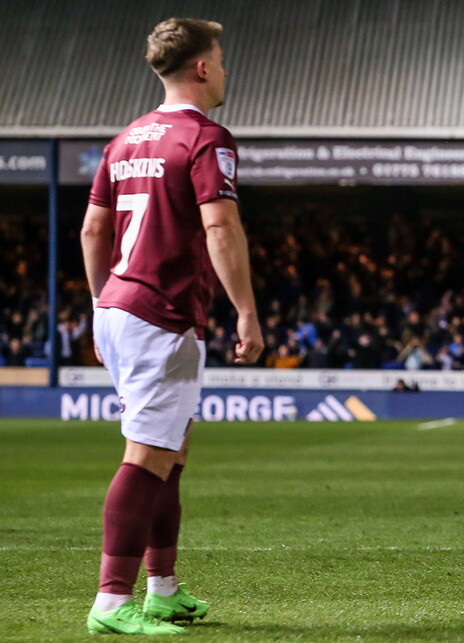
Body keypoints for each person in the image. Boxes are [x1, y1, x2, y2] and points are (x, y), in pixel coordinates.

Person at [80, 18, 263, 635]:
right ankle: (111, 601)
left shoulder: (126, 138)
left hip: (121, 307)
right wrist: (246, 311)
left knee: (170, 454)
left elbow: (92, 230)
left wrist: (103, 301)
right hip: (161, 314)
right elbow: (221, 228)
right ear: (203, 68)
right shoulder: (207, 138)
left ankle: (162, 590)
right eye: (222, 58)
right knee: (147, 456)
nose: (226, 70)